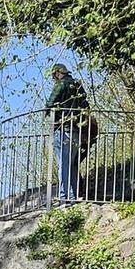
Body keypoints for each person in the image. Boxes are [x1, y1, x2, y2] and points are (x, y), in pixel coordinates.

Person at [45, 63, 90, 201]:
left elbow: (50, 103)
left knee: (63, 164)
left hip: (62, 128)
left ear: (58, 73)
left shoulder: (60, 85)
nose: (54, 78)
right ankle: (75, 195)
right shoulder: (77, 85)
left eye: (54, 75)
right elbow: (85, 104)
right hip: (77, 128)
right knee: (72, 163)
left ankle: (65, 196)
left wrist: (48, 113)